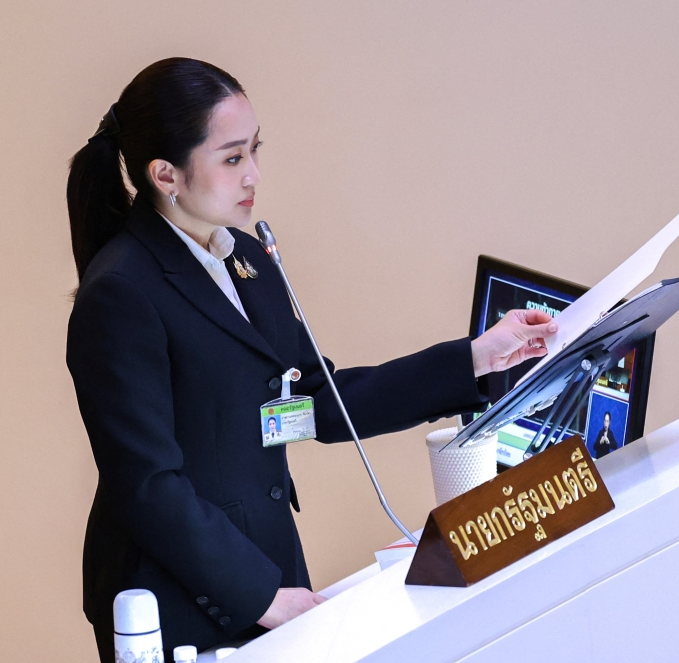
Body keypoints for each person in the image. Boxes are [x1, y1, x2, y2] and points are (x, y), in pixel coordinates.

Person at [65, 58, 557, 661]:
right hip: (178, 596)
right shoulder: (120, 293)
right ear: (166, 174)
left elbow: (321, 402)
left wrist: (477, 357)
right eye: (232, 157)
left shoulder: (245, 259)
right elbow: (147, 487)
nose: (254, 175)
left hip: (265, 569)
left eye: (254, 150)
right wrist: (264, 596)